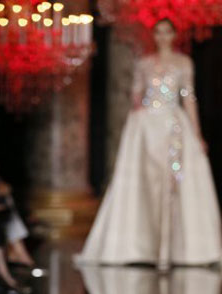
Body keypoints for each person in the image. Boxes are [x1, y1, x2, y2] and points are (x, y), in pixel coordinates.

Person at [78, 17, 222, 269]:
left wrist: (197, 134)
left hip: (173, 127)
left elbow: (188, 99)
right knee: (146, 184)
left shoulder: (183, 63)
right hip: (147, 128)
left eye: (167, 31)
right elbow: (136, 95)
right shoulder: (144, 63)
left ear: (174, 35)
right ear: (153, 36)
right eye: (158, 32)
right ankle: (143, 247)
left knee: (174, 184)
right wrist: (136, 117)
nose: (162, 36)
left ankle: (176, 250)